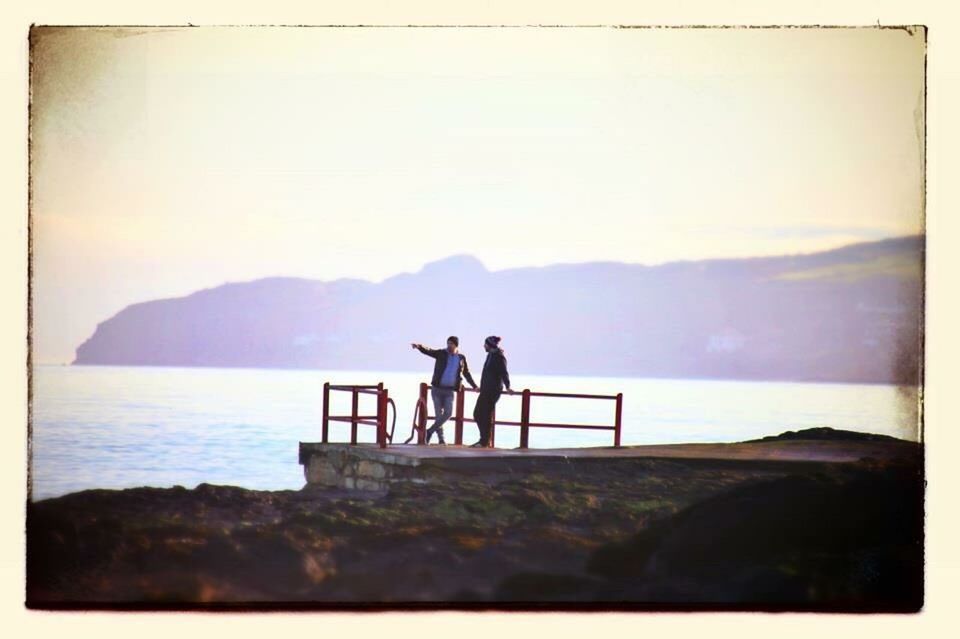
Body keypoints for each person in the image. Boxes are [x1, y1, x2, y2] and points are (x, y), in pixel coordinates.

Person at [411, 336, 478, 444]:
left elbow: (466, 373)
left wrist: (474, 386)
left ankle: (429, 431)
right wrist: (419, 347)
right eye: (448, 343)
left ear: (456, 345)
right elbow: (429, 351)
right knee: (439, 415)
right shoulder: (441, 353)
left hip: (449, 391)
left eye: (451, 343)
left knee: (448, 413)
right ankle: (441, 439)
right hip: (437, 389)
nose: (449, 345)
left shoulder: (461, 358)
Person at [472, 335, 513, 448]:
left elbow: (504, 372)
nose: (483, 346)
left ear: (489, 345)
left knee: (483, 414)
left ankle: (484, 441)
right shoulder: (490, 355)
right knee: (479, 414)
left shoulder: (499, 357)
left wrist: (508, 386)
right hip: (485, 390)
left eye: (485, 344)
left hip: (493, 390)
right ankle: (484, 440)